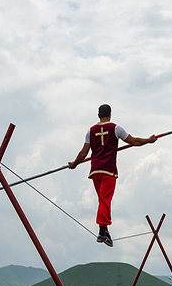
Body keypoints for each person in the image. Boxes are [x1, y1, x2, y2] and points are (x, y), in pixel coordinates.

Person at [67, 103, 157, 247]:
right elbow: (134, 141)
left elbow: (83, 153)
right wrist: (149, 140)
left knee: (103, 200)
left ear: (98, 115)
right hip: (108, 171)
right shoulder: (116, 128)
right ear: (110, 115)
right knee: (105, 201)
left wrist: (74, 164)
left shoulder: (90, 131)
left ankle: (105, 231)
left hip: (95, 171)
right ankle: (102, 232)